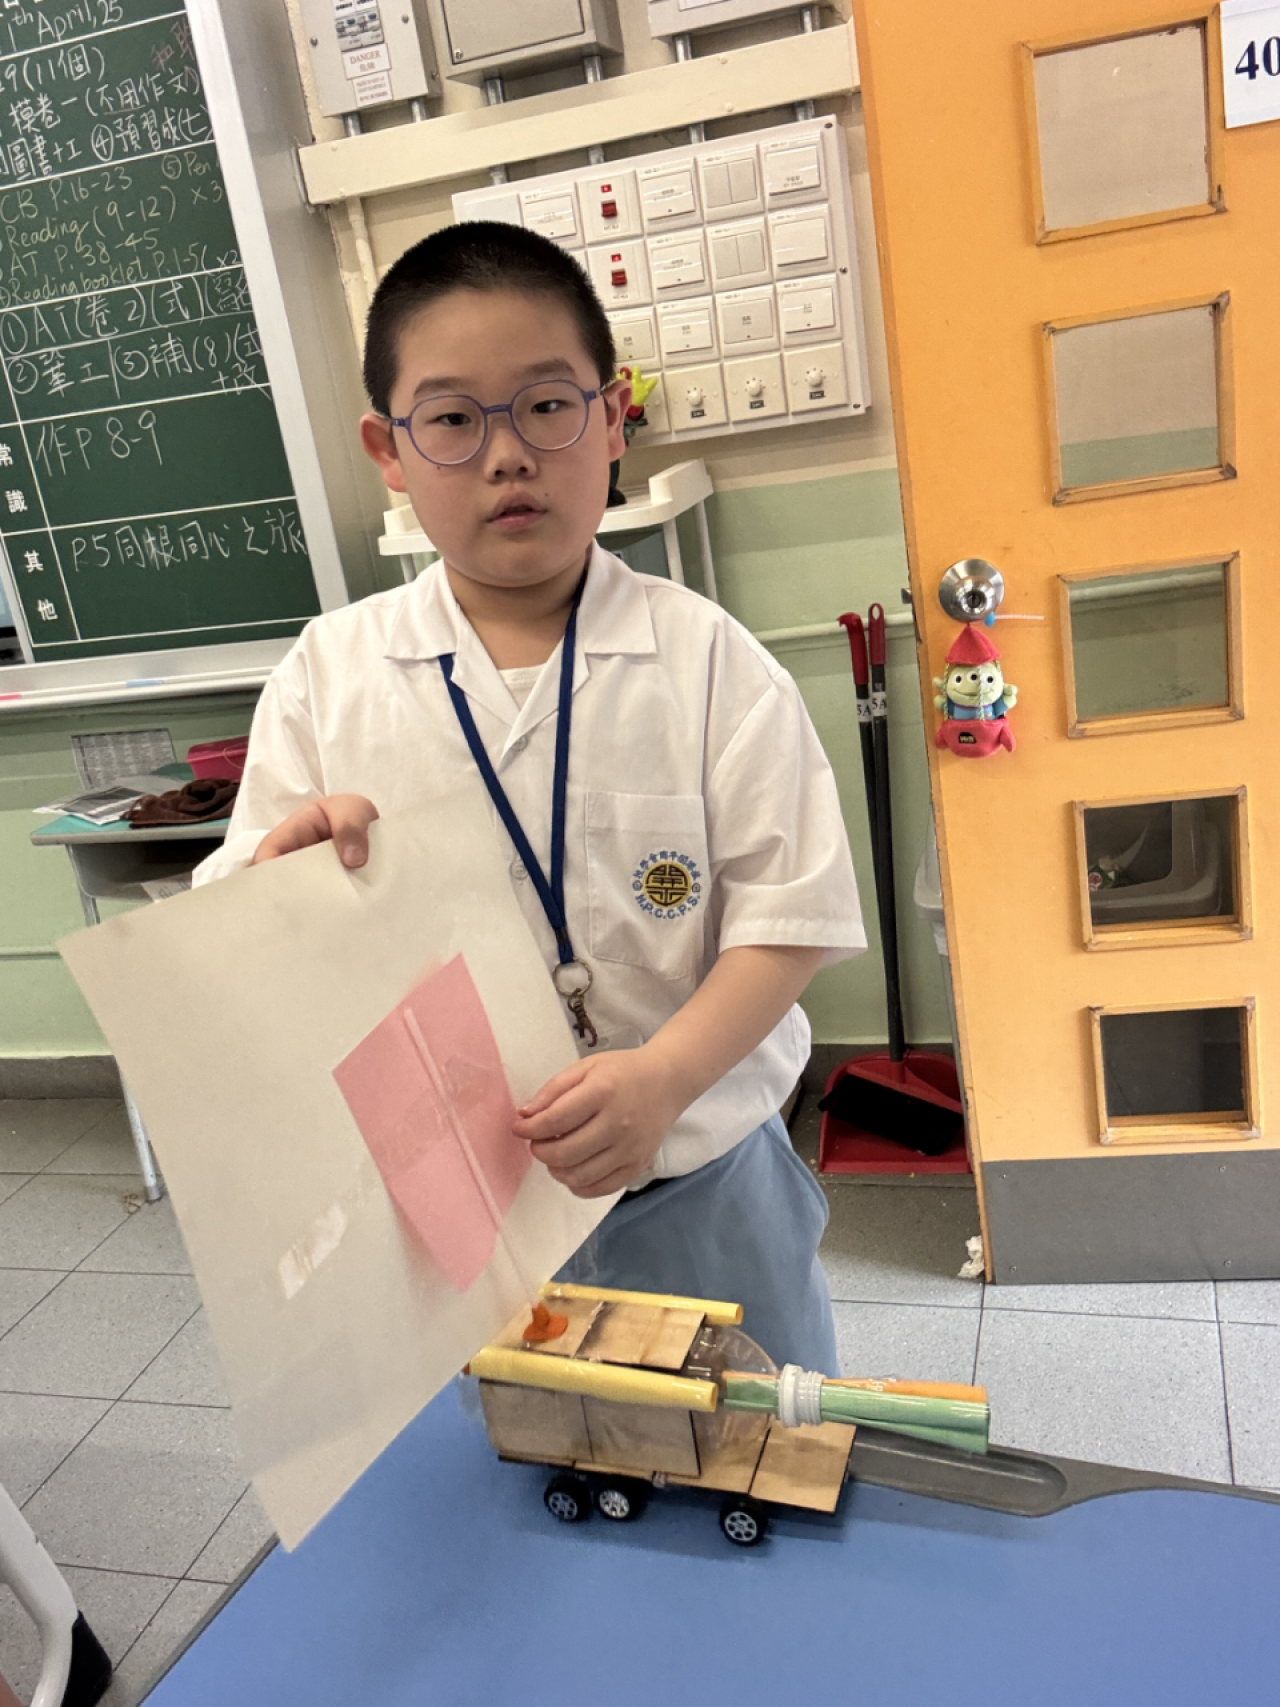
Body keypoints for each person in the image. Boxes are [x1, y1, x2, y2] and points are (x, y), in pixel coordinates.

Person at [194, 222, 864, 1372]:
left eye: (547, 406)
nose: (506, 456)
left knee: (750, 1442)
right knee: (502, 1455)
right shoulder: (329, 675)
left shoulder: (709, 662)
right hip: (455, 1211)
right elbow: (245, 924)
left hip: (696, 1179)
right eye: (453, 420)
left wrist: (664, 1077)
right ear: (388, 449)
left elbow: (787, 918)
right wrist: (282, 876)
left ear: (611, 420)